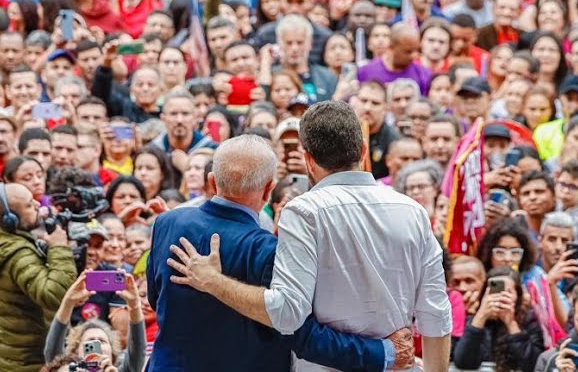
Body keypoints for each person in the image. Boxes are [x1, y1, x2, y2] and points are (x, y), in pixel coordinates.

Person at [163, 101, 453, 372]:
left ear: (308, 159)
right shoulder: (412, 210)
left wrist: (214, 281)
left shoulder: (304, 211)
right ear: (363, 151)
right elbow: (436, 314)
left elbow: (286, 313)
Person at [0, 182, 78, 372]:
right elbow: (55, 295)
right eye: (30, 205)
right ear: (10, 220)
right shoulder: (18, 256)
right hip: (31, 363)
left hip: (14, 359)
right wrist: (59, 248)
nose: (38, 206)